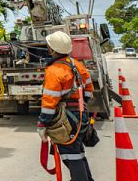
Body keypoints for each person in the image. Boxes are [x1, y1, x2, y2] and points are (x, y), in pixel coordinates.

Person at [37, 31, 96, 181]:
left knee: (71, 156)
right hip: (81, 115)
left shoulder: (53, 71)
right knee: (77, 153)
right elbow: (89, 92)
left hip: (66, 120)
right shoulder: (77, 65)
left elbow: (49, 103)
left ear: (52, 49)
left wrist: (43, 123)